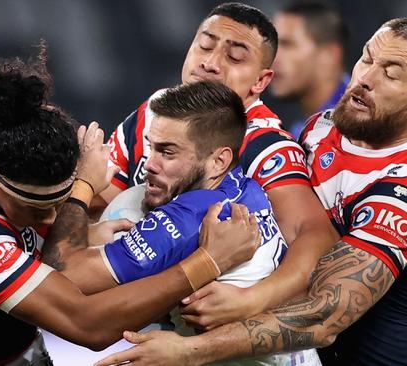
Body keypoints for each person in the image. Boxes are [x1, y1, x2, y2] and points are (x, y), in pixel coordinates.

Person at [96, 17, 407, 366]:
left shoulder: (406, 195)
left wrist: (196, 346)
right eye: (366, 58)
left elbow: (324, 317)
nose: (365, 78)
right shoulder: (322, 129)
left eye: (391, 74)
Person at [0, 44, 260, 365]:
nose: (53, 217)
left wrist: (83, 224)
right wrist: (206, 263)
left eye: (61, 199)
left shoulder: (10, 135)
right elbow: (88, 326)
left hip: (15, 351)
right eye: (38, 211)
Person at [98, 1, 338, 321]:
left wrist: (254, 299)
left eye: (235, 57)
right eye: (205, 46)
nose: (210, 63)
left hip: (237, 336)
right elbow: (101, 204)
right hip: (160, 326)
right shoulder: (155, 111)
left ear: (261, 81)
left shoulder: (264, 144)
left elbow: (318, 237)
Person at [70, 80, 320, 365]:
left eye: (168, 152)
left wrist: (84, 184)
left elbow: (68, 283)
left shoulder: (185, 221)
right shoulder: (245, 187)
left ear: (218, 161)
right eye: (151, 148)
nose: (149, 163)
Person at [271, 1, 349, 137]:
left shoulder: (360, 124)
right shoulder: (301, 131)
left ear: (329, 55)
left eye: (287, 44)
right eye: (274, 45)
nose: (273, 58)